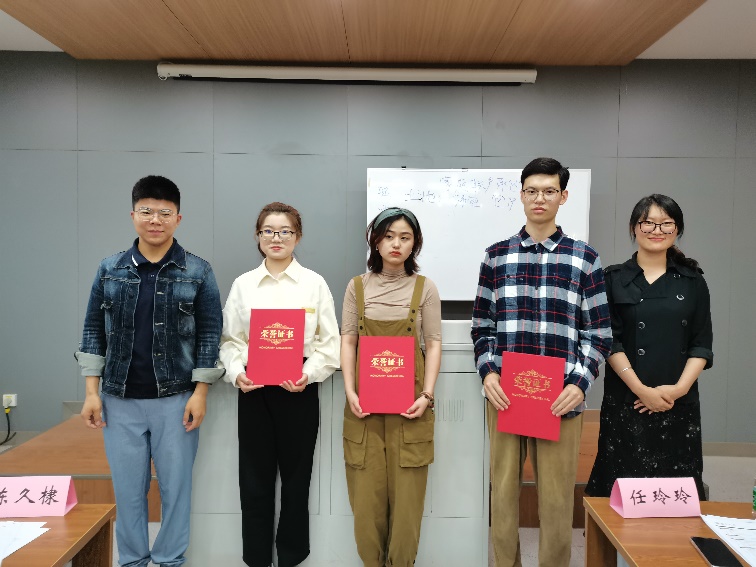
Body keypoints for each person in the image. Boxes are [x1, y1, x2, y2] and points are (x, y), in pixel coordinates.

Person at [471, 157, 612, 567]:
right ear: (521, 195)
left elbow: (599, 333)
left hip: (560, 398)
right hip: (505, 396)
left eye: (549, 191)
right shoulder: (496, 256)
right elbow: (482, 327)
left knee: (555, 501)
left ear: (563, 197)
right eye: (531, 190)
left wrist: (579, 384)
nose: (539, 198)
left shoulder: (584, 258)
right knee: (502, 496)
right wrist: (488, 373)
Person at [76, 175, 223, 567]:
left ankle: (170, 560)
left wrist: (201, 392)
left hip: (176, 398)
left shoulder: (198, 271)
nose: (155, 220)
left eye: (164, 212)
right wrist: (91, 392)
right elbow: (92, 330)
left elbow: (210, 335)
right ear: (133, 215)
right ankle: (132, 561)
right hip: (119, 398)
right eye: (146, 211)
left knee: (176, 491)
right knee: (128, 492)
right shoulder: (109, 269)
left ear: (178, 218)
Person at [219, 202, 339, 567]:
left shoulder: (314, 284)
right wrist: (236, 372)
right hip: (253, 389)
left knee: (297, 480)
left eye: (285, 231)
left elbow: (329, 344)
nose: (276, 238)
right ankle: (257, 558)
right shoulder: (243, 285)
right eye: (268, 231)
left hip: (298, 389)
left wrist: (310, 373)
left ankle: (291, 557)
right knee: (253, 481)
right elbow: (230, 341)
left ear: (297, 237)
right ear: (258, 237)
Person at [586, 194, 713, 500]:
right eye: (648, 223)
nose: (657, 230)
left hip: (677, 402)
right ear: (634, 227)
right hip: (627, 399)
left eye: (666, 223)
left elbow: (701, 344)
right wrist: (642, 390)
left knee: (675, 493)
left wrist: (677, 390)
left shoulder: (692, 281)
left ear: (677, 229)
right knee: (623, 489)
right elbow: (609, 340)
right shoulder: (613, 278)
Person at [341, 207, 442, 567]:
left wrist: (427, 394)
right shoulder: (356, 287)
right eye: (388, 236)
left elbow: (433, 343)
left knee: (407, 506)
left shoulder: (425, 288)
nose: (396, 244)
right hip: (363, 411)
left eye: (405, 237)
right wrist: (350, 392)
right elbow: (348, 341)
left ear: (415, 244)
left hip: (410, 410)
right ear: (375, 241)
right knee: (366, 505)